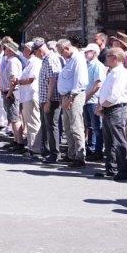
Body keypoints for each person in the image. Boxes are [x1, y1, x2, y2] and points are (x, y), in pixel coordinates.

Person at [96, 48, 127, 181]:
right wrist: (101, 105)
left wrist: (102, 105)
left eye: (108, 55)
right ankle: (111, 169)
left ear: (115, 58)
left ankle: (123, 171)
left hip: (116, 109)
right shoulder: (113, 72)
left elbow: (114, 95)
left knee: (118, 140)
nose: (106, 58)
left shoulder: (120, 73)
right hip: (108, 108)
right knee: (109, 141)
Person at [56, 39, 88, 167]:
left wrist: (71, 98)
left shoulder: (78, 59)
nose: (61, 55)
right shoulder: (69, 60)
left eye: (61, 52)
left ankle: (80, 156)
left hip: (74, 96)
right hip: (66, 96)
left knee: (76, 126)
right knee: (68, 127)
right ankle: (71, 154)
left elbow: (79, 81)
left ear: (67, 48)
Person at [34, 39, 64, 162]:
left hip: (51, 99)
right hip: (46, 99)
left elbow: (53, 79)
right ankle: (48, 151)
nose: (35, 54)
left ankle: (55, 153)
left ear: (39, 50)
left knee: (52, 126)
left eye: (35, 52)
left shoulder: (51, 59)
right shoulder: (46, 59)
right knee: (47, 126)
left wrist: (48, 100)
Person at [83, 43, 106, 161]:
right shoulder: (87, 65)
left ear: (95, 53)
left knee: (96, 127)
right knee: (90, 126)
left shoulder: (98, 66)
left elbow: (98, 84)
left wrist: (86, 97)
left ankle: (98, 151)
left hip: (94, 100)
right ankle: (91, 148)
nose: (85, 53)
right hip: (87, 100)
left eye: (88, 51)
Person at [0, 40, 24, 150]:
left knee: (15, 118)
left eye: (5, 48)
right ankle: (15, 140)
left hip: (12, 92)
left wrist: (9, 92)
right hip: (8, 91)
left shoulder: (13, 62)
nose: (4, 50)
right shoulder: (8, 61)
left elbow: (13, 79)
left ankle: (20, 143)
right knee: (12, 118)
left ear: (10, 50)